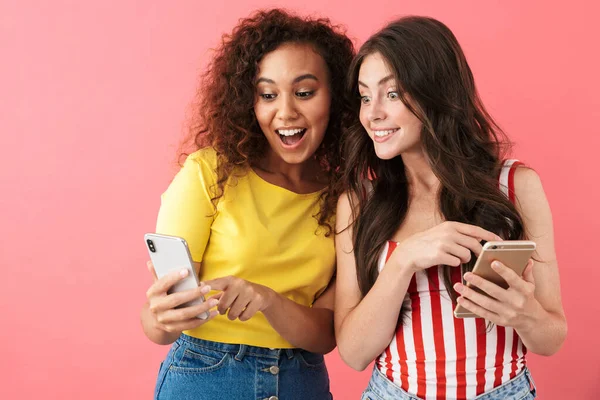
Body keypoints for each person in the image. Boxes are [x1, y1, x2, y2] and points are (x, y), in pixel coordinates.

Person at [334, 16, 566, 400]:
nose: (372, 112)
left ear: (436, 92)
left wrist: (525, 315)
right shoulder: (360, 203)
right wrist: (403, 260)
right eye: (364, 95)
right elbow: (354, 354)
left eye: (391, 94)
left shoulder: (515, 187)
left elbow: (552, 338)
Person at [140, 9, 354, 400]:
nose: (286, 112)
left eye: (304, 93)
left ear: (336, 96)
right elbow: (159, 329)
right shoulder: (210, 173)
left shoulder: (346, 196)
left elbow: (326, 335)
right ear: (248, 102)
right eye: (268, 95)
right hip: (206, 375)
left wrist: (269, 300)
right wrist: (159, 314)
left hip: (302, 381)